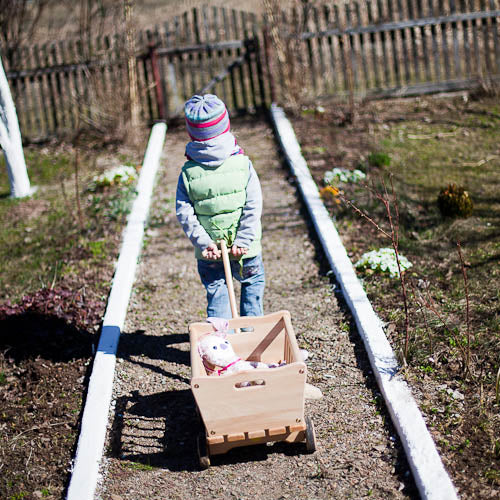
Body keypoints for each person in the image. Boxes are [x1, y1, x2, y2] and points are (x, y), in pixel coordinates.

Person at [175, 94, 265, 320]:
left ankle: (219, 344)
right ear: (226, 125)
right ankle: (250, 335)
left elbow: (184, 213)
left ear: (191, 133)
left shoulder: (188, 173)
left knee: (217, 292)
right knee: (252, 283)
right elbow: (253, 203)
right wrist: (243, 240)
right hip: (246, 249)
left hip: (210, 252)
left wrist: (204, 243)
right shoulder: (242, 164)